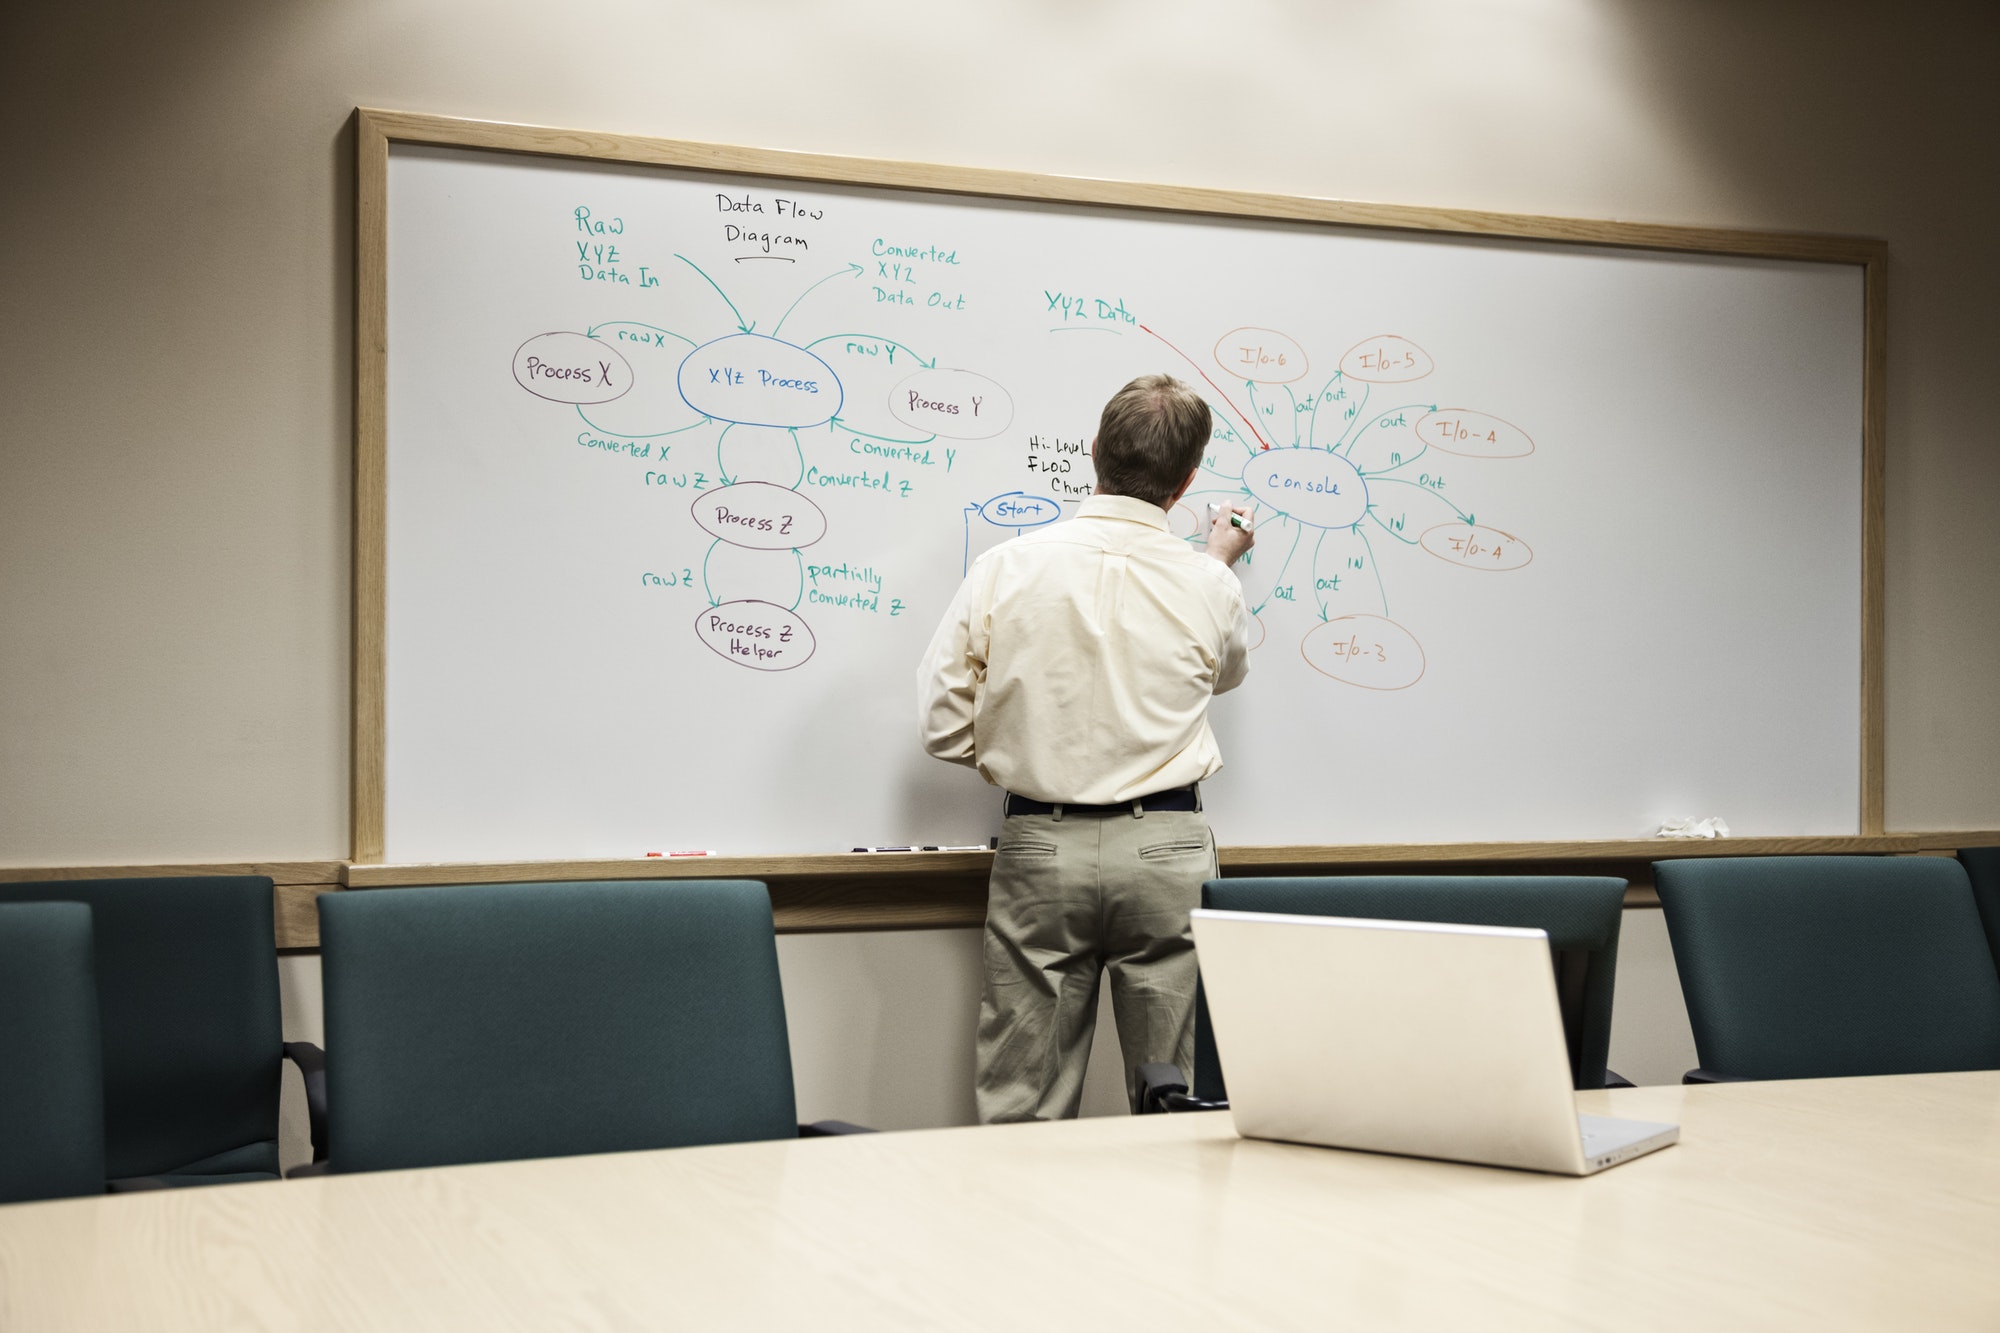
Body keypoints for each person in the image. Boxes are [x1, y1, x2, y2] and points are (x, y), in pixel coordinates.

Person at [917, 373, 1256, 1121]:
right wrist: (1215, 562)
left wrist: (1027, 740)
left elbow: (942, 725)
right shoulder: (1209, 583)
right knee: (1176, 1107)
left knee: (1021, 1107)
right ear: (1187, 479)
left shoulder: (1006, 567)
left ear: (1094, 450)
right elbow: (1222, 674)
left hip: (1041, 845)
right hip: (1167, 854)